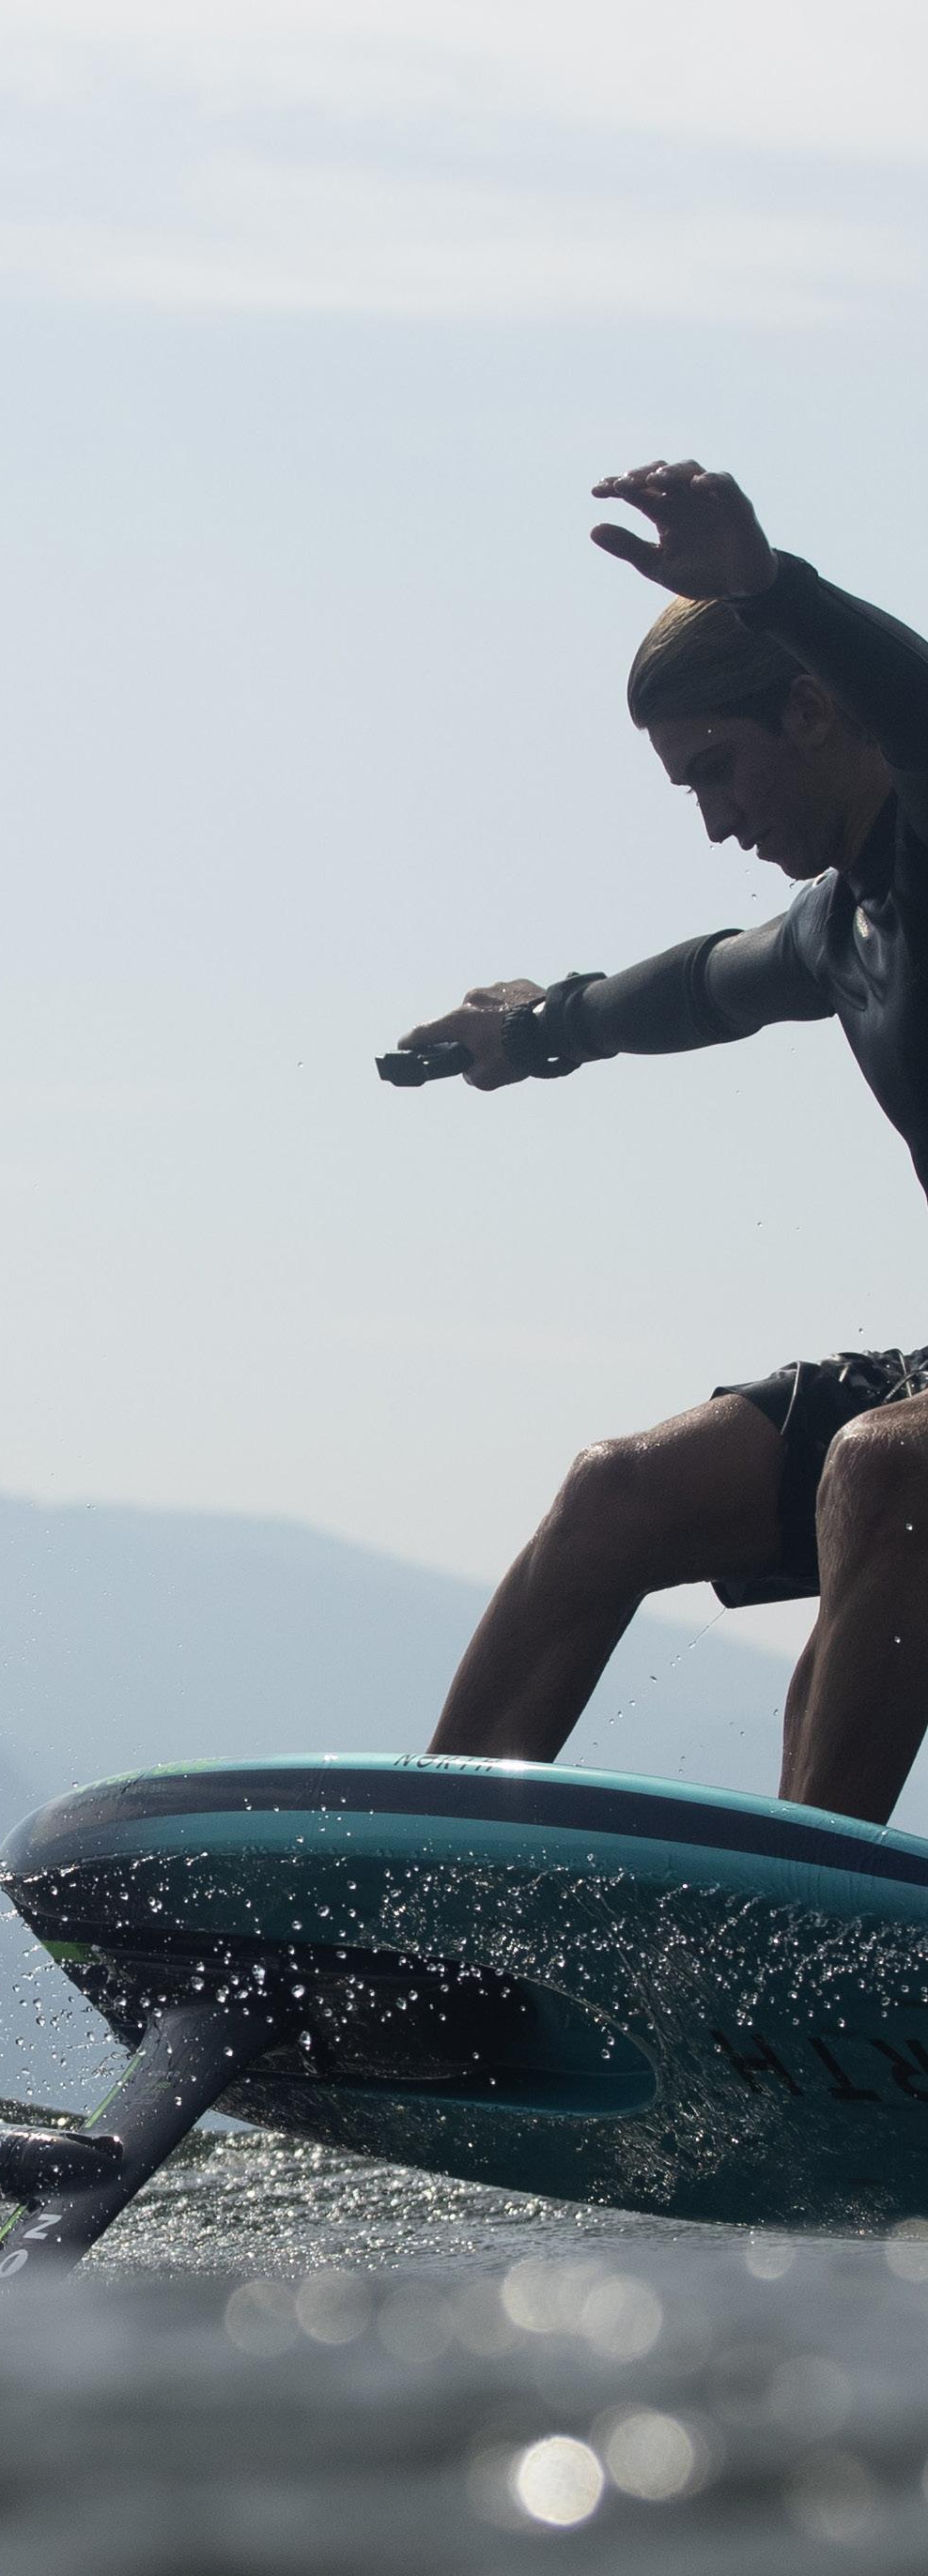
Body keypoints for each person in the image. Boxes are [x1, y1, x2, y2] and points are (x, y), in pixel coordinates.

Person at [404, 458, 928, 1826]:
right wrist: (535, 1029)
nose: (714, 821)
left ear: (810, 709)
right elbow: (700, 987)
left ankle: (806, 1918)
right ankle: (414, 1889)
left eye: (717, 771)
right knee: (616, 1495)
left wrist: (770, 589)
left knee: (890, 1466)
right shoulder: (844, 922)